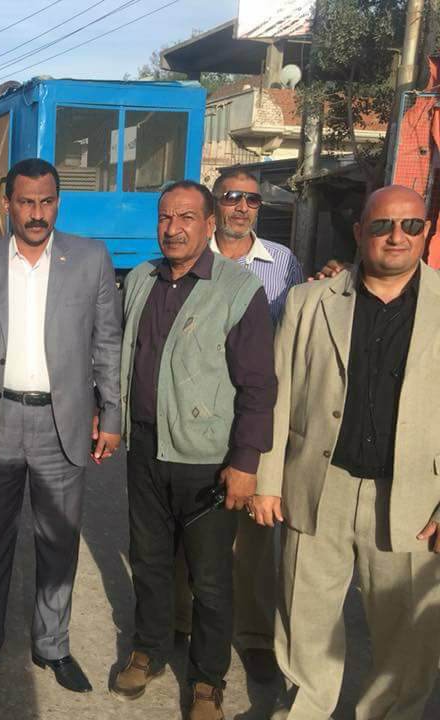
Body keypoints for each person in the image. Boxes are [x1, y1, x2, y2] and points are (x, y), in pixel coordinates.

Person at [257, 185, 440, 720]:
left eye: (410, 225)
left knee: (407, 639)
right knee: (304, 624)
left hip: (412, 499)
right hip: (319, 486)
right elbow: (278, 394)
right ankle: (304, 711)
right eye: (382, 225)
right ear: (360, 233)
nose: (396, 236)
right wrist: (267, 482)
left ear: (426, 231)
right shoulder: (308, 302)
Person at [0, 158, 123, 694]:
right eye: (26, 202)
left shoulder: (89, 258)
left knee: (58, 541)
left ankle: (52, 645)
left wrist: (111, 414)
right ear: (8, 204)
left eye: (47, 202)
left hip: (60, 421)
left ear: (58, 202)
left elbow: (107, 341)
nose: (37, 213)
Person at [111, 180, 276, 720]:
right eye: (165, 217)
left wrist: (245, 462)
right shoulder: (141, 278)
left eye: (186, 217)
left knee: (209, 579)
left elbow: (258, 385)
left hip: (207, 459)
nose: (173, 228)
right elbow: (124, 355)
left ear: (209, 225)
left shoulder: (238, 288)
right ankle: (149, 650)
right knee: (149, 561)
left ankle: (207, 682)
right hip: (145, 448)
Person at [172, 169, 304, 683]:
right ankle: (180, 620)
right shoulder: (191, 257)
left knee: (253, 536)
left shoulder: (282, 263)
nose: (243, 207)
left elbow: (296, 331)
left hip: (255, 411)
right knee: (191, 526)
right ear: (215, 206)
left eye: (252, 199)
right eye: (231, 197)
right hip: (196, 414)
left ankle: (253, 637)